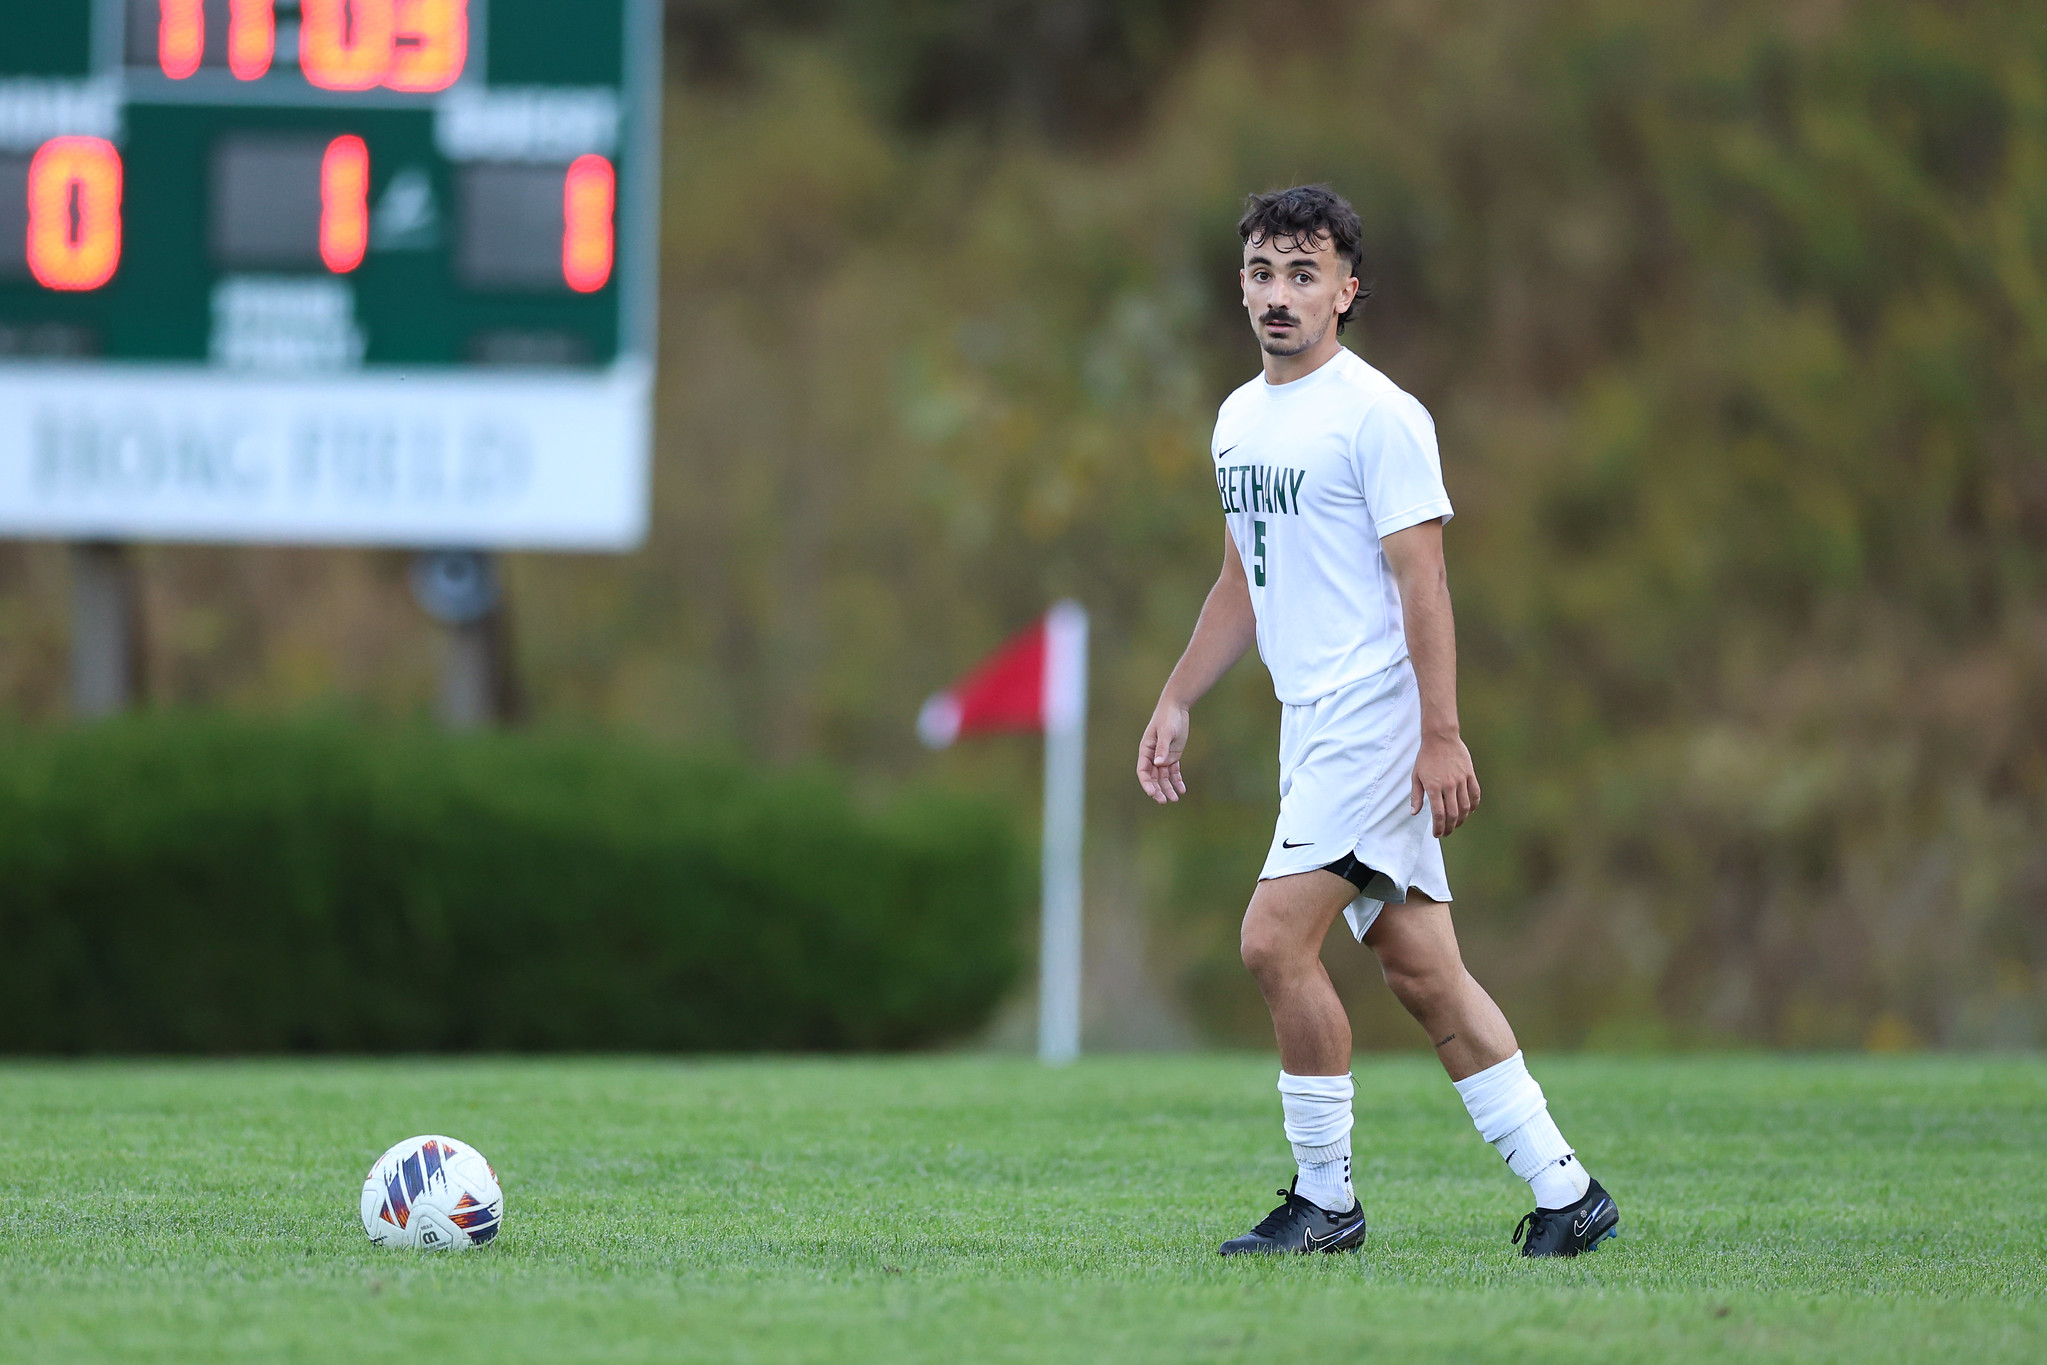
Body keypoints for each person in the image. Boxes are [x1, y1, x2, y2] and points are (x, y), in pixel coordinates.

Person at [1136, 184, 1620, 1258]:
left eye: (1303, 275)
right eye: (1262, 271)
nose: (1277, 294)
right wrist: (1176, 694)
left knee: (1271, 942)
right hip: (1307, 726)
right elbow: (1241, 581)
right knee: (1423, 974)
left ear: (1346, 292)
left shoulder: (1380, 415)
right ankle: (1565, 1191)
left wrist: (1440, 733)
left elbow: (1424, 584)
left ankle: (1326, 1202)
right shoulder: (1236, 418)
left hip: (1373, 723)